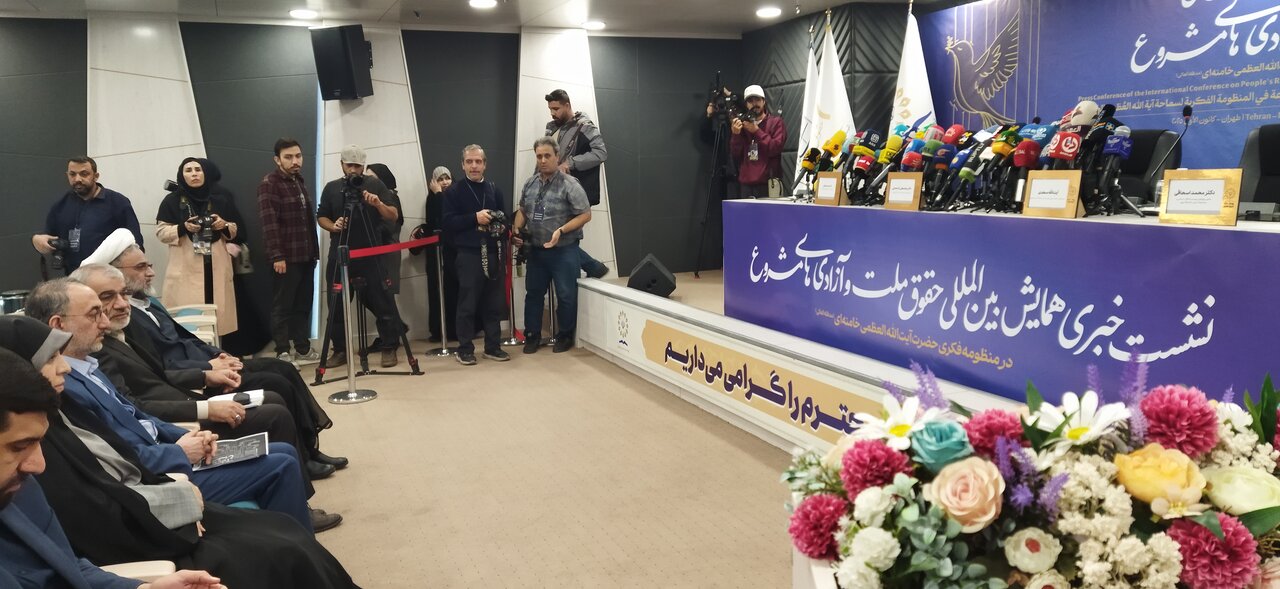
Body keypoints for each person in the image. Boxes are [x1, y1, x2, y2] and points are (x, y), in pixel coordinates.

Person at [0, 317, 359, 588]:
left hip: (150, 497)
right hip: (143, 530)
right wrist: (179, 494)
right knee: (279, 549)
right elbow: (99, 521)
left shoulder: (45, 435)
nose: (37, 463)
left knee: (283, 529)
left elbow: (67, 562)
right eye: (53, 357)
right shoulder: (51, 419)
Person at [22, 279, 319, 532]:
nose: (105, 321)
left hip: (170, 445)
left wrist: (185, 436)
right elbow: (118, 458)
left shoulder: (88, 364)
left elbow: (137, 415)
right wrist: (180, 450)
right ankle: (295, 545)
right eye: (95, 313)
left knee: (282, 451)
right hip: (157, 476)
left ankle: (289, 533)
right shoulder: (63, 387)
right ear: (58, 325)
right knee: (280, 463)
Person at [103, 242, 346, 481]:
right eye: (140, 267)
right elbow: (161, 368)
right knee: (276, 383)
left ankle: (309, 448)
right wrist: (208, 369)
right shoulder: (124, 320)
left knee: (284, 368)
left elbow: (186, 339)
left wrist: (219, 355)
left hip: (206, 366)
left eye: (149, 265)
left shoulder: (148, 304)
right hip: (194, 382)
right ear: (117, 272)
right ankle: (303, 458)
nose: (150, 273)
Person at [0, 347, 226, 588]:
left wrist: (144, 588)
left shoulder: (22, 492)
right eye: (19, 447)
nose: (39, 465)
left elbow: (65, 567)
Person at [71, 263, 309, 482]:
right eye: (107, 297)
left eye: (124, 294)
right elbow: (135, 407)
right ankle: (298, 476)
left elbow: (159, 374)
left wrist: (207, 375)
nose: (123, 304)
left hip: (184, 405)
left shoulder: (123, 329)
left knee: (275, 391)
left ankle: (306, 462)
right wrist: (205, 408)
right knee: (274, 413)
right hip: (179, 422)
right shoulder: (94, 349)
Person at [317, 145, 407, 369]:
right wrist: (333, 226)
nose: (353, 170)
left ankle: (389, 346)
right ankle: (340, 350)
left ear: (363, 166)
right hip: (340, 254)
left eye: (358, 166)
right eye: (350, 165)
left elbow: (394, 215)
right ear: (341, 165)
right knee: (336, 306)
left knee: (383, 301)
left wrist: (378, 204)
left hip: (371, 254)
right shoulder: (331, 188)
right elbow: (321, 216)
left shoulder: (375, 185)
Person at [513, 138, 593, 354]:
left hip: (564, 250)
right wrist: (517, 230)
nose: (543, 160)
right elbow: (523, 210)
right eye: (539, 156)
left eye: (547, 156)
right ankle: (532, 335)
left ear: (557, 157)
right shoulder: (530, 184)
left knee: (566, 295)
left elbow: (585, 215)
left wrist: (561, 231)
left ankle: (564, 335)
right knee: (533, 294)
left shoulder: (570, 184)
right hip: (537, 251)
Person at [155, 158, 244, 336]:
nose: (194, 174)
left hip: (216, 266)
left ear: (205, 174)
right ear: (181, 175)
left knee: (218, 319)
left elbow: (234, 229)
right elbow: (161, 232)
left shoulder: (219, 199)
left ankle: (217, 349)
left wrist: (223, 225)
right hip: (187, 268)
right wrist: (183, 227)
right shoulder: (171, 201)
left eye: (198, 169)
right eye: (188, 170)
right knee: (191, 322)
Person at [442, 145, 510, 366]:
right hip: (468, 254)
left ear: (485, 164)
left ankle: (493, 346)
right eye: (469, 162)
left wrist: (502, 226)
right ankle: (464, 349)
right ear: (462, 165)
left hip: (493, 252)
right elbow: (448, 223)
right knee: (467, 304)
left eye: (478, 162)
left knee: (493, 303)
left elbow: (504, 218)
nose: (474, 166)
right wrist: (474, 218)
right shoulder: (453, 192)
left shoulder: (494, 190)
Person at [258, 138, 320, 365]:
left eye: (298, 156)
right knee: (283, 307)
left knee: (303, 304)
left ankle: (302, 349)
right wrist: (277, 255)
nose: (295, 161)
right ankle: (283, 351)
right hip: (285, 257)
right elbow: (269, 223)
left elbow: (307, 221)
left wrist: (314, 252)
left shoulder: (298, 181)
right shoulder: (270, 183)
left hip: (306, 255)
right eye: (289, 157)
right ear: (277, 159)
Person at [31, 157, 144, 274]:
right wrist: (36, 240)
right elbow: (47, 236)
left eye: (84, 174)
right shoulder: (61, 204)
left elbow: (136, 243)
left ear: (96, 176)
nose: (77, 179)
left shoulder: (118, 202)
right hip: (73, 275)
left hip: (109, 276)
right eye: (72, 174)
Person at [544, 89, 610, 279]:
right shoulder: (551, 128)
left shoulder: (585, 126)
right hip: (553, 190)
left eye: (556, 108)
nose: (552, 113)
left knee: (564, 236)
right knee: (551, 233)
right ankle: (592, 267)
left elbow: (601, 153)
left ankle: (589, 269)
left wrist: (571, 163)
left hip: (575, 191)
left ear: (567, 105)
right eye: (550, 109)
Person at [416, 166, 458, 344]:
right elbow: (435, 221)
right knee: (436, 290)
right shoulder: (431, 198)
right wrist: (438, 195)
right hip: (436, 252)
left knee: (454, 289)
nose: (445, 182)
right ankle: (439, 330)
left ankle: (456, 329)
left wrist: (440, 194)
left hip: (454, 251)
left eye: (447, 178)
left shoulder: (457, 195)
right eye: (440, 179)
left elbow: (449, 219)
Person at [728, 84, 787, 199]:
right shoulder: (743, 125)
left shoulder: (776, 122)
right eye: (750, 101)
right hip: (746, 185)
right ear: (746, 104)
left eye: (757, 100)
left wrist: (756, 131)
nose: (754, 104)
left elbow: (775, 148)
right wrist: (736, 135)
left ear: (764, 101)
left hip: (769, 184)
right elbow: (736, 154)